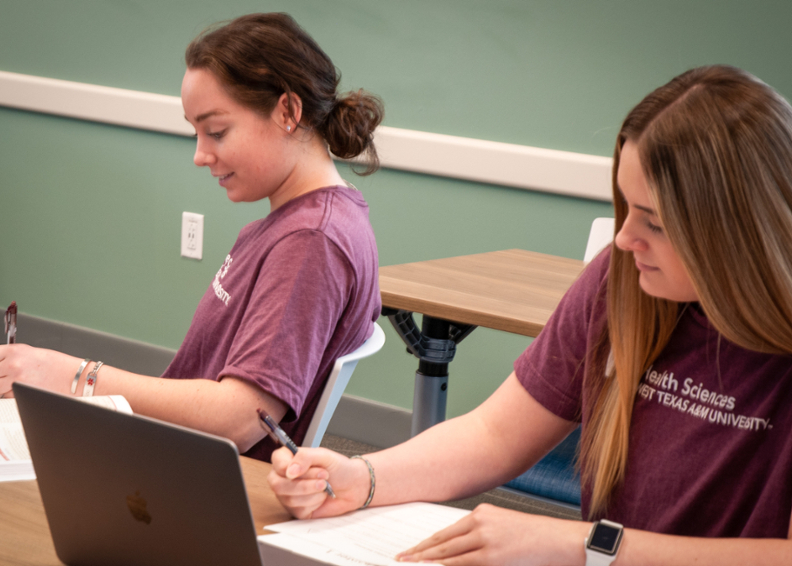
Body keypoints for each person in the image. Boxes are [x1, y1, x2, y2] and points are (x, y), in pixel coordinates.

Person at [268, 65, 792, 564]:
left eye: (654, 222)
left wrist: (586, 547)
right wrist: (362, 477)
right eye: (625, 208)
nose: (626, 238)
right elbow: (496, 435)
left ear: (738, 234)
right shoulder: (622, 283)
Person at [0, 12, 383, 462]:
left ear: (287, 111)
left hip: (192, 479)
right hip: (171, 455)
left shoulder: (311, 241)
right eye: (196, 132)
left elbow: (240, 417)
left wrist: (76, 376)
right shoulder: (301, 222)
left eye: (216, 131)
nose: (200, 155)